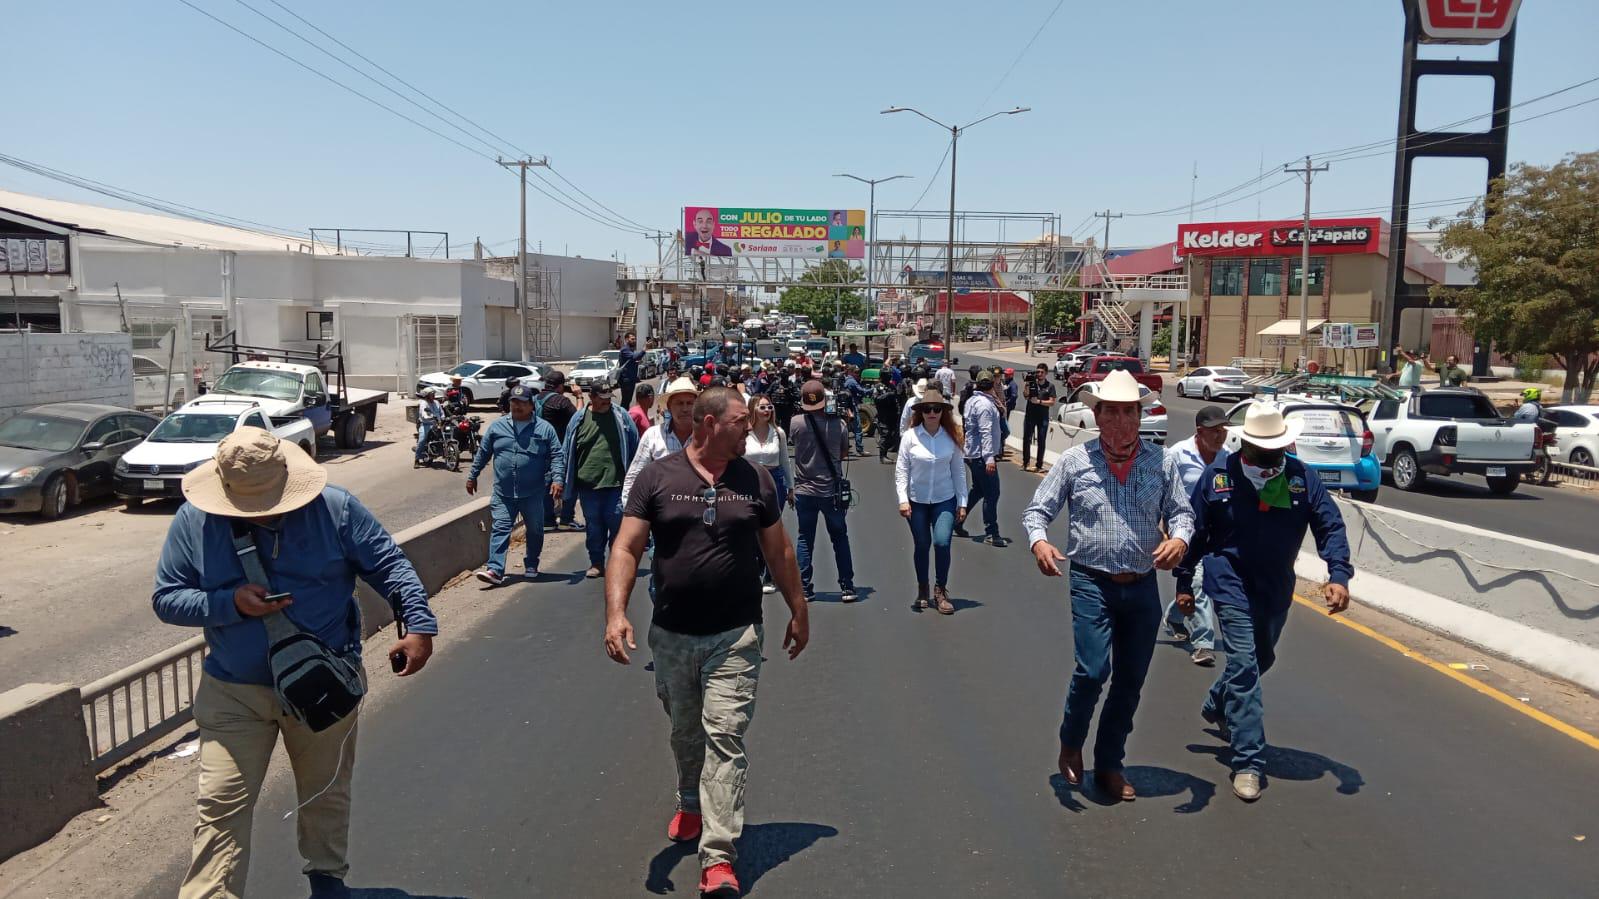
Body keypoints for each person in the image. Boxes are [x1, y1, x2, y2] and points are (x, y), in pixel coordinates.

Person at [153, 428, 438, 899]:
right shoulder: (193, 521)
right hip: (235, 693)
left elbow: (389, 565)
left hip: (325, 685)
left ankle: (328, 885)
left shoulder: (336, 509)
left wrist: (419, 626)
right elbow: (167, 598)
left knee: (326, 791)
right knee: (220, 804)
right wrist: (230, 603)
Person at [604, 388, 808, 899]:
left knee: (726, 736)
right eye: (741, 422)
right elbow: (627, 546)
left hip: (736, 633)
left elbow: (779, 551)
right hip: (673, 633)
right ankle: (690, 799)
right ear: (709, 423)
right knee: (685, 731)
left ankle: (718, 856)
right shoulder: (659, 477)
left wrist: (799, 608)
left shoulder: (755, 479)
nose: (751, 429)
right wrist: (615, 612)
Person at [1022, 369, 1195, 802]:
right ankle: (1070, 741)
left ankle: (1110, 764)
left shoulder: (1162, 461)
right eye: (1112, 412)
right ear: (1097, 416)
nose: (1121, 422)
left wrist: (1179, 538)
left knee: (1130, 680)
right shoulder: (1075, 461)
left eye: (1129, 412)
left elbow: (1183, 514)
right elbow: (1037, 511)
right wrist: (1040, 543)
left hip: (1141, 588)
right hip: (1091, 582)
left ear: (1140, 415)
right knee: (1093, 669)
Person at [1176, 400, 1352, 802]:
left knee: (1261, 659)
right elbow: (1196, 533)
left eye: (1279, 448)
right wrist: (1184, 583)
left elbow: (1330, 525)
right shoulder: (1218, 477)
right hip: (1229, 580)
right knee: (1243, 663)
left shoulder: (1301, 478)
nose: (1272, 456)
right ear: (1247, 444)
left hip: (1275, 585)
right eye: (1264, 449)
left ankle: (1217, 700)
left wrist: (1337, 574)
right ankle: (1248, 761)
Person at [467, 384, 566, 585]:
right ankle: (495, 569)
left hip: (533, 493)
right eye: (514, 402)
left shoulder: (544, 429)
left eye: (522, 403)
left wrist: (557, 479)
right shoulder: (497, 427)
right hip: (503, 493)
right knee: (501, 528)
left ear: (531, 405)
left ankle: (531, 564)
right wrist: (472, 475)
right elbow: (483, 453)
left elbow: (557, 455)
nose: (517, 407)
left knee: (536, 530)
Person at [1162, 405, 1230, 666]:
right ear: (1200, 431)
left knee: (1204, 582)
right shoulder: (1178, 454)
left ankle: (1175, 616)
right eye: (1214, 430)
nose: (1219, 435)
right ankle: (1203, 643)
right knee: (1199, 582)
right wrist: (1163, 527)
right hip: (1186, 531)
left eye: (1222, 430)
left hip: (1216, 533)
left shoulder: (1228, 458)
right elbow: (1162, 491)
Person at [895, 387, 967, 614]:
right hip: (916, 501)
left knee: (942, 542)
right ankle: (922, 589)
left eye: (936, 409)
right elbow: (901, 471)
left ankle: (941, 590)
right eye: (927, 409)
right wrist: (902, 499)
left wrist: (962, 502)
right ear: (921, 412)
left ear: (942, 412)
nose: (932, 413)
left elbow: (959, 471)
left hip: (944, 499)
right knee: (922, 544)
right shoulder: (910, 437)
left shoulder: (951, 438)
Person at [562, 382, 640, 578]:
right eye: (602, 399)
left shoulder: (621, 416)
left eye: (608, 398)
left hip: (616, 484)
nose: (606, 402)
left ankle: (615, 562)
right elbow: (567, 449)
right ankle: (596, 562)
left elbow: (635, 445)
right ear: (592, 397)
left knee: (617, 525)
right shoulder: (579, 419)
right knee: (594, 527)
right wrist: (560, 479)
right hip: (588, 486)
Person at [790, 379, 858, 602]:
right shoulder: (839, 424)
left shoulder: (796, 422)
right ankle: (847, 586)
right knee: (839, 537)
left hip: (804, 489)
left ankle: (804, 588)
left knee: (804, 539)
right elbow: (844, 454)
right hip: (830, 490)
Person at [744, 394, 794, 595]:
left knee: (771, 529)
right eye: (763, 407)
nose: (767, 411)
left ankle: (770, 574)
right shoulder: (744, 432)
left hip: (775, 483)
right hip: (750, 482)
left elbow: (785, 461)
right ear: (753, 410)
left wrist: (791, 487)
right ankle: (756, 569)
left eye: (769, 407)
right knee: (753, 528)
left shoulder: (778, 432)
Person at [624, 377, 698, 506]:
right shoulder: (653, 436)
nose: (685, 409)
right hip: (660, 513)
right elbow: (634, 477)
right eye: (679, 403)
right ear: (669, 406)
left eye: (689, 403)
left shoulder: (707, 436)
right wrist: (633, 514)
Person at [955, 374, 1006, 547]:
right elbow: (985, 432)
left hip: (973, 454)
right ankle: (992, 532)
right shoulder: (984, 405)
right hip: (981, 456)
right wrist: (989, 458)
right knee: (992, 493)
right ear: (992, 384)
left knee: (978, 490)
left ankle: (958, 519)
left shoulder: (973, 401)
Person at [536, 372, 580, 531]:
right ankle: (566, 519)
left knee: (545, 483)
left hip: (540, 448)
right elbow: (578, 419)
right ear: (560, 386)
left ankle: (547, 520)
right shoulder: (561, 401)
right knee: (570, 481)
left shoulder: (536, 399)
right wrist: (579, 397)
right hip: (560, 449)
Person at [1021, 363, 1057, 472]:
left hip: (1042, 417)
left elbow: (1052, 402)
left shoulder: (1050, 386)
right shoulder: (1032, 384)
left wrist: (1039, 402)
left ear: (1046, 373)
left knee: (1041, 440)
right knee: (1027, 439)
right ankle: (1025, 462)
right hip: (1030, 415)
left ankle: (1039, 464)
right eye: (1038, 372)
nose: (1039, 374)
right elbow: (1026, 395)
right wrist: (1027, 384)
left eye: (1042, 372)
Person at [873, 369, 902, 463]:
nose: (889, 376)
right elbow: (876, 399)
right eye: (887, 375)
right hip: (883, 414)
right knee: (885, 435)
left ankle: (886, 452)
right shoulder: (878, 386)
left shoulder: (891, 385)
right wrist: (888, 394)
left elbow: (896, 397)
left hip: (893, 414)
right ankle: (882, 456)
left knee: (892, 435)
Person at [413, 388, 445, 468]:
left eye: (433, 394)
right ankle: (417, 460)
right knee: (422, 440)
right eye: (432, 394)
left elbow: (441, 412)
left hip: (437, 424)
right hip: (426, 424)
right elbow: (424, 414)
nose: (433, 396)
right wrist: (429, 418)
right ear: (427, 396)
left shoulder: (436, 402)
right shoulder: (424, 403)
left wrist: (443, 418)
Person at [617, 331, 648, 407]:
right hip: (626, 379)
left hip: (631, 378)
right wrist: (644, 350)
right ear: (627, 340)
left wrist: (636, 362)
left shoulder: (630, 350)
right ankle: (623, 416)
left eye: (635, 339)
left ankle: (625, 415)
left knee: (628, 400)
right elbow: (634, 356)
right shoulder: (625, 349)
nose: (634, 341)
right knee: (626, 400)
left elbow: (633, 359)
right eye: (632, 339)